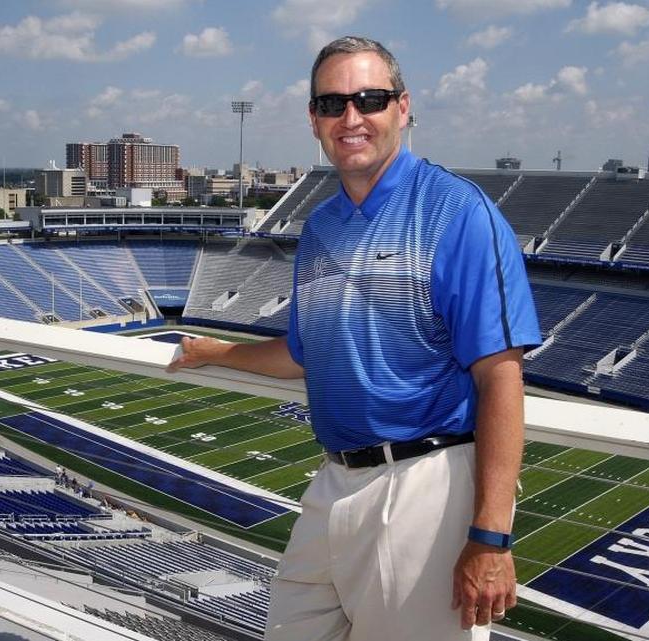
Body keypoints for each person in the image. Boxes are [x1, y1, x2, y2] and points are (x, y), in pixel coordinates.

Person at [168, 35, 541, 641]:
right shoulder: (321, 226)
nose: (351, 118)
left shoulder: (457, 212)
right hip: (335, 479)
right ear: (313, 119)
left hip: (424, 480)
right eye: (332, 103)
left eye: (370, 99)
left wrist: (491, 538)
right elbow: (303, 353)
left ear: (403, 107)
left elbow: (500, 373)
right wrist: (218, 353)